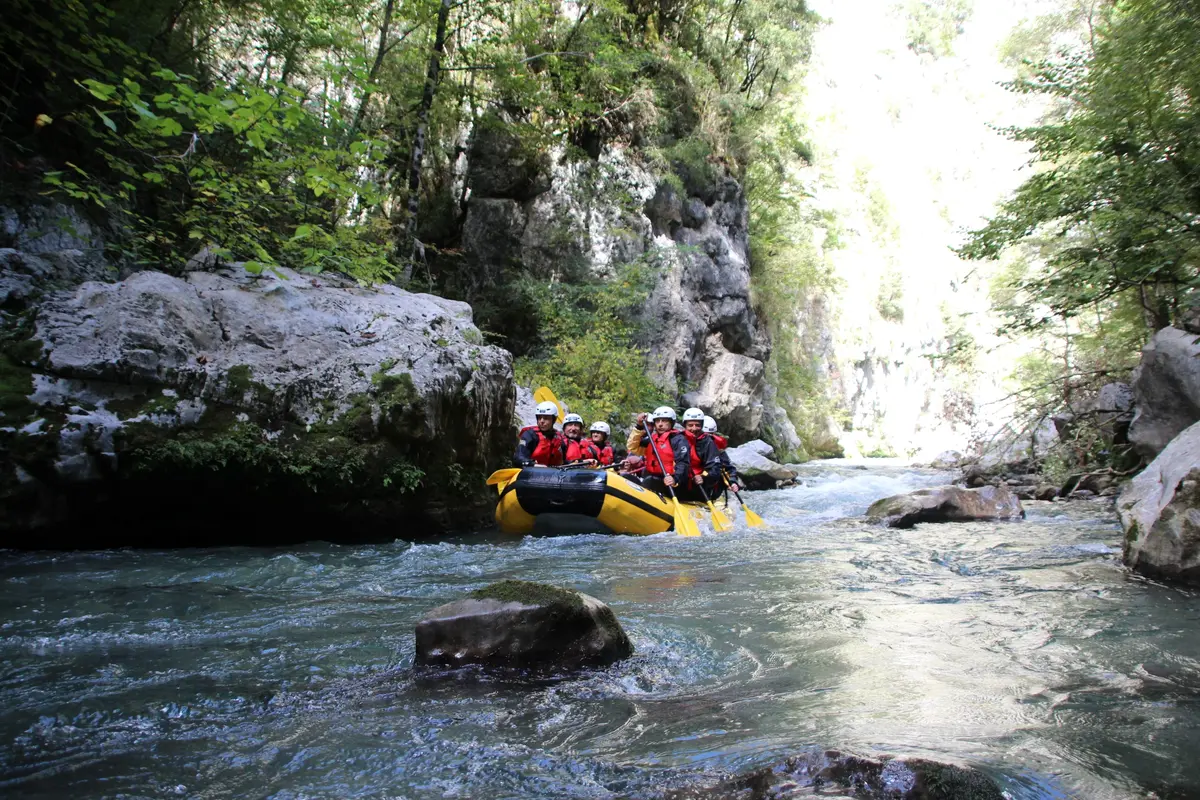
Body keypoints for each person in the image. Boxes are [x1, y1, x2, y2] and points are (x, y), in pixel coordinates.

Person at [637, 406, 692, 497]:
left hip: (671, 482)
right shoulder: (652, 439)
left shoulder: (678, 440)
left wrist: (675, 478)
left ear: (671, 423)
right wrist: (639, 426)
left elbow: (683, 463)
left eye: (664, 421)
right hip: (652, 477)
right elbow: (633, 446)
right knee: (645, 479)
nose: (660, 424)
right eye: (657, 421)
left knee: (651, 480)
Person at [680, 407, 723, 500]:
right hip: (679, 481)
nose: (694, 428)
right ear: (685, 425)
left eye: (697, 425)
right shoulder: (678, 439)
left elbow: (715, 468)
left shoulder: (708, 443)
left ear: (702, 426)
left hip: (699, 485)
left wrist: (703, 477)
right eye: (690, 425)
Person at [513, 401, 565, 467]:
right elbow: (518, 458)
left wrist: (575, 462)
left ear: (554, 420)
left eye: (546, 418)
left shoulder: (559, 438)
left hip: (555, 475)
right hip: (532, 474)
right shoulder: (529, 435)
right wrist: (532, 464)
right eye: (539, 418)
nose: (541, 421)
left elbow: (566, 460)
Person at [702, 415, 741, 494]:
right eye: (705, 435)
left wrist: (732, 482)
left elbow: (729, 469)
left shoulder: (718, 450)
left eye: (711, 434)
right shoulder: (685, 444)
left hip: (709, 488)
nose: (708, 438)